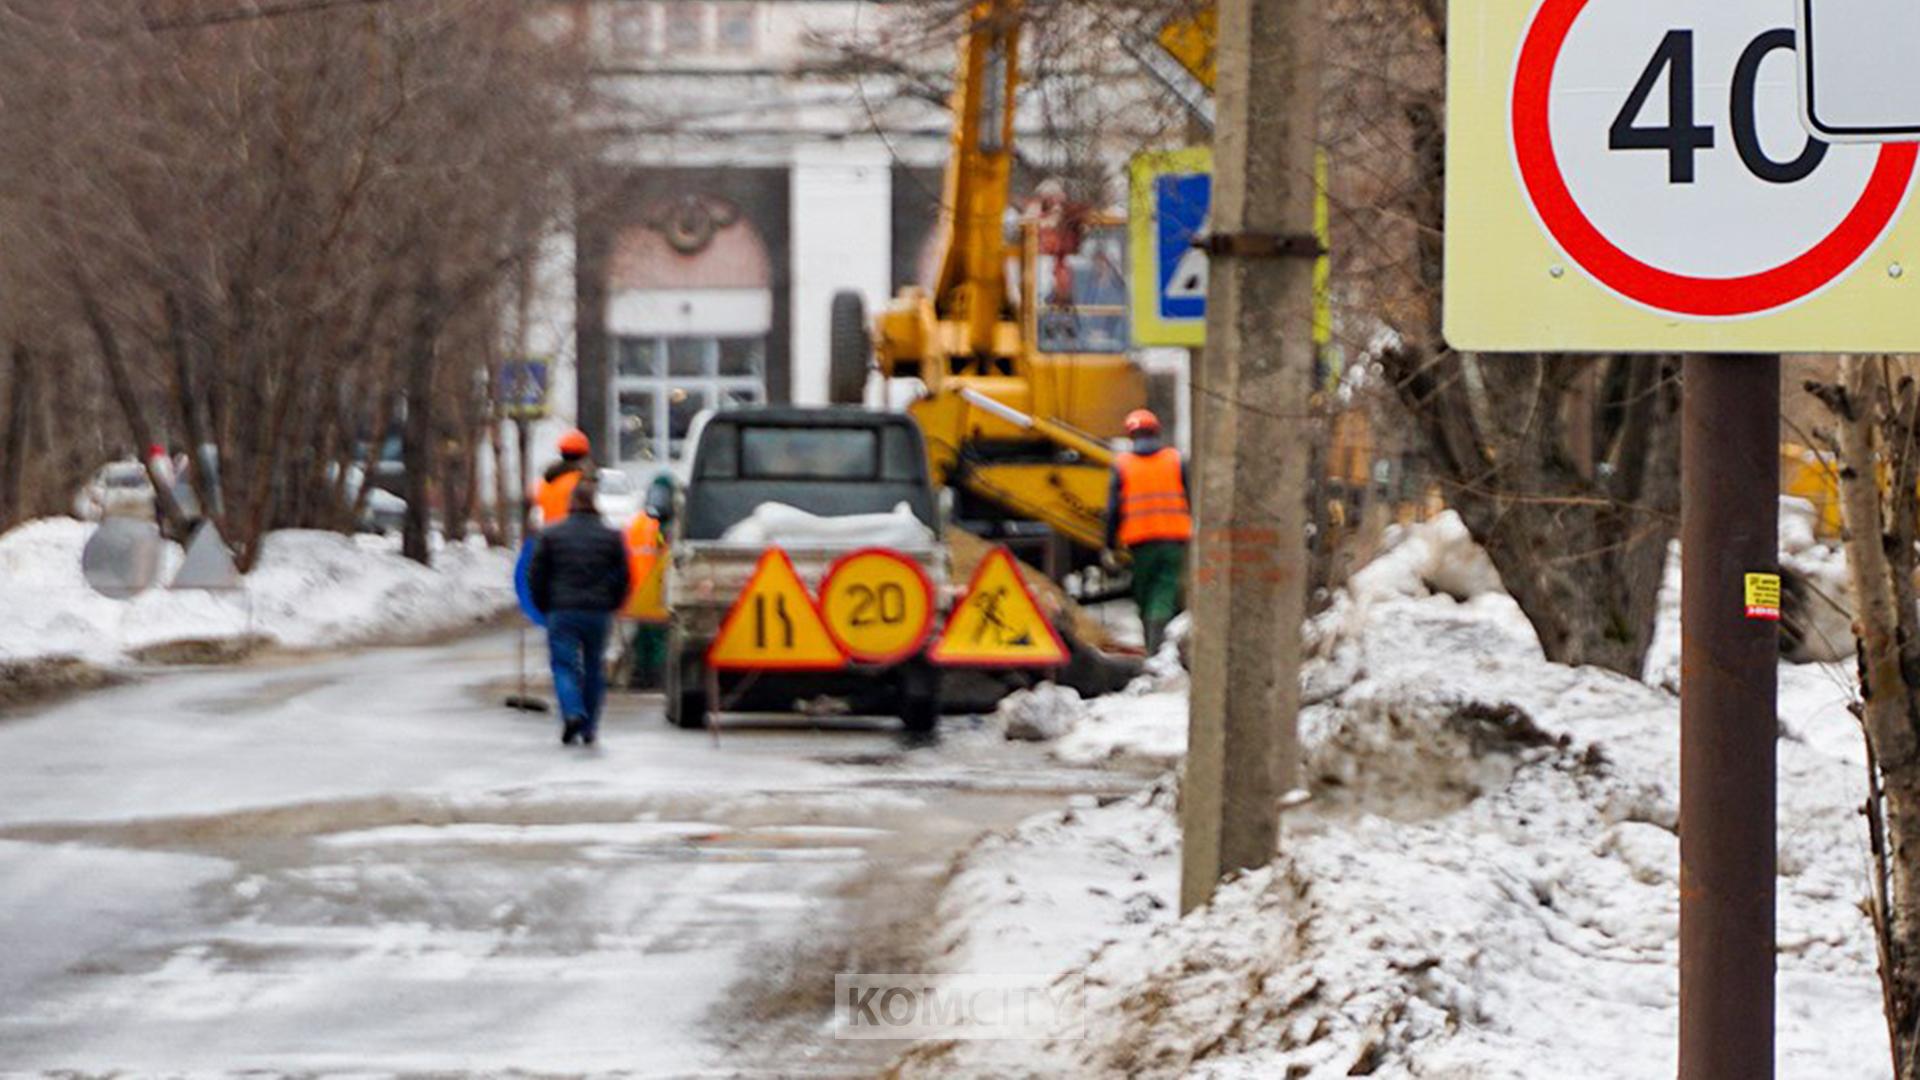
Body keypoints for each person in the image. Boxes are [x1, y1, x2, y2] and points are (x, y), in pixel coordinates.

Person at [529, 478, 630, 746]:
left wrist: (542, 605)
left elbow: (536, 574)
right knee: (594, 667)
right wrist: (614, 602)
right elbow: (623, 576)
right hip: (598, 612)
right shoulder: (611, 537)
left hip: (562, 611)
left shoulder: (551, 535)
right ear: (594, 502)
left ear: (571, 503)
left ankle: (572, 711)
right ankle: (589, 728)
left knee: (564, 666)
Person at [1104, 409, 1193, 656]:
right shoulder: (1175, 459)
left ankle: (1154, 648)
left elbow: (1113, 509)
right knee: (1165, 590)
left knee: (1146, 594)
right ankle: (1159, 646)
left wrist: (1108, 544)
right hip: (1174, 538)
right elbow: (1191, 497)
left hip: (1141, 542)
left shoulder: (1123, 465)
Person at [621, 474, 675, 690]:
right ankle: (657, 678)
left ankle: (639, 676)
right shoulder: (667, 527)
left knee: (643, 637)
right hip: (658, 593)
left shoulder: (636, 524)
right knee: (659, 640)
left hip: (636, 592)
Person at [534, 428, 594, 526]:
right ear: (585, 455)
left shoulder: (545, 481)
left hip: (549, 533)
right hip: (571, 534)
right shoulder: (581, 481)